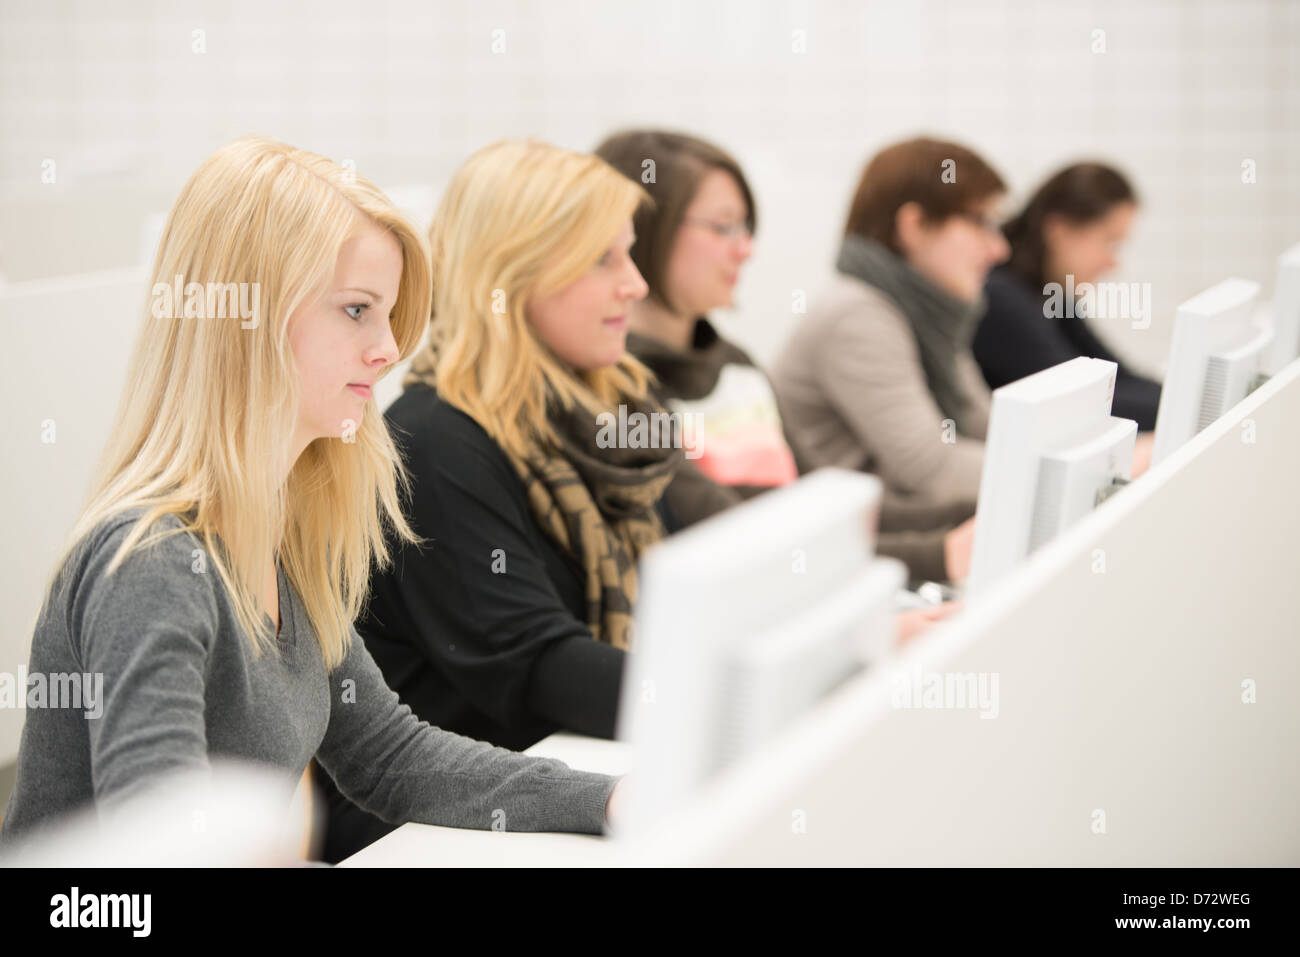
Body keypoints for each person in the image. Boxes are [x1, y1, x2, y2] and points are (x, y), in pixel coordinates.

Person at [0, 137, 619, 858]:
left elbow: (390, 755)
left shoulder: (279, 537)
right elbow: (162, 851)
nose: (388, 348)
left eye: (387, 315)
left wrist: (606, 798)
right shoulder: (156, 564)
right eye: (357, 310)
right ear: (244, 322)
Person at [319, 139, 678, 860]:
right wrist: (722, 691)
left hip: (553, 781)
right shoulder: (436, 439)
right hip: (438, 819)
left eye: (630, 254)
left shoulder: (605, 408)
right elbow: (544, 668)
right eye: (604, 259)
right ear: (513, 273)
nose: (637, 284)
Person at [597, 129, 976, 583]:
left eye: (746, 229)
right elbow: (739, 535)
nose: (746, 249)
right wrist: (935, 554)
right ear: (646, 228)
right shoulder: (616, 390)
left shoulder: (736, 363)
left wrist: (972, 513)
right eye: (723, 227)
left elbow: (824, 498)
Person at [770, 136, 1010, 515]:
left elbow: (991, 428)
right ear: (913, 225)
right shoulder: (857, 315)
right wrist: (1061, 472)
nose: (999, 249)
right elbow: (933, 472)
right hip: (850, 549)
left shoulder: (926, 313)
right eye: (981, 222)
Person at [973, 162, 1162, 431]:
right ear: (1058, 230)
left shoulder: (1051, 291)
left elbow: (1116, 375)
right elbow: (1081, 403)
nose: (1113, 262)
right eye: (1110, 242)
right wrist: (1185, 404)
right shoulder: (1000, 296)